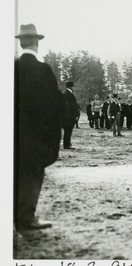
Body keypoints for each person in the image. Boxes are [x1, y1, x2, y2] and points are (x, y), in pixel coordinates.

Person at [14, 24, 64, 231]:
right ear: (36, 43)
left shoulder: (11, 67)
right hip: (35, 136)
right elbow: (55, 104)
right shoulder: (42, 70)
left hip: (12, 133)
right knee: (32, 174)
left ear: (21, 42)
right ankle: (26, 217)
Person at [63, 81, 79, 149]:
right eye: (73, 87)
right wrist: (75, 115)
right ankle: (66, 145)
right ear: (70, 87)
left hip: (67, 115)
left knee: (68, 130)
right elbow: (72, 106)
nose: (74, 88)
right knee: (68, 130)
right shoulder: (69, 94)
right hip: (69, 116)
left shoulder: (66, 94)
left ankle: (67, 143)